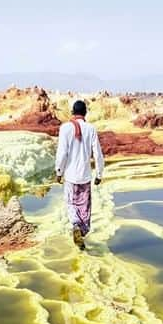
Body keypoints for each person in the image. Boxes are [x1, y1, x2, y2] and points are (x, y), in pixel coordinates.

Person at [54, 99, 104, 249]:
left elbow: (62, 153)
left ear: (72, 113)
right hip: (85, 176)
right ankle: (81, 231)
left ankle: (75, 225)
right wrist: (99, 174)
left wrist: (59, 171)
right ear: (85, 113)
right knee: (84, 206)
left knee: (71, 203)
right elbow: (98, 154)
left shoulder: (65, 128)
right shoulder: (91, 129)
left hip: (70, 176)